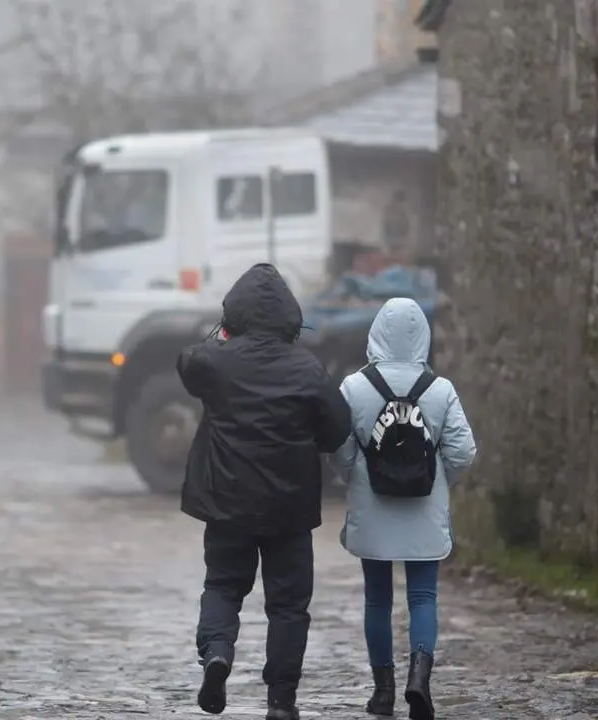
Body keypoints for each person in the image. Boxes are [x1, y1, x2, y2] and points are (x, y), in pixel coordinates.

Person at [177, 263, 351, 720]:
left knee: (222, 586)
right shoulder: (309, 370)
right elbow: (337, 430)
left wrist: (220, 337)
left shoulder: (214, 362)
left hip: (227, 503)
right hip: (289, 509)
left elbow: (187, 361)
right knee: (289, 605)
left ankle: (218, 652)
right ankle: (281, 700)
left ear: (233, 312)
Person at [330, 298, 476, 720]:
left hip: (372, 508)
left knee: (377, 599)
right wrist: (440, 481)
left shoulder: (353, 387)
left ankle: (383, 692)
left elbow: (339, 449)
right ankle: (419, 680)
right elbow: (463, 451)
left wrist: (354, 476)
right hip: (423, 509)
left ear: (375, 332)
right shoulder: (440, 389)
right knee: (423, 596)